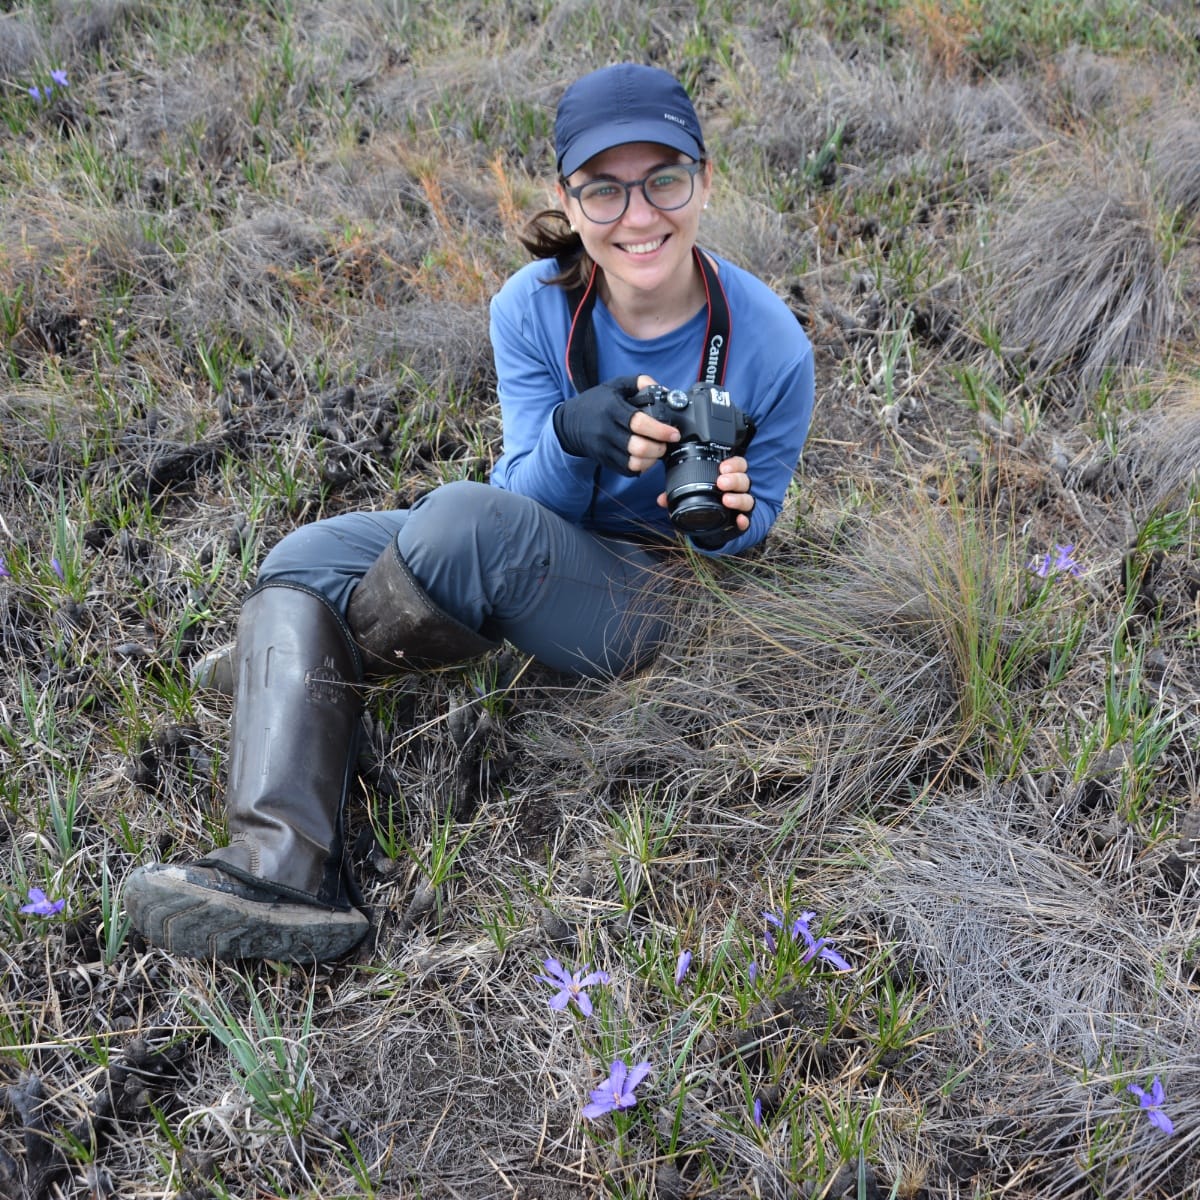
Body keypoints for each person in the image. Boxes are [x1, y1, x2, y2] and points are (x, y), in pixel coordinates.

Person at [123, 62, 815, 962]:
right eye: (604, 191)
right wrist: (570, 436)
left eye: (665, 182)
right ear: (568, 201)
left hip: (657, 595)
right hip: (548, 539)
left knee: (459, 529)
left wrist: (727, 527)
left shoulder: (772, 346)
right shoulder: (531, 309)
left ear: (705, 180)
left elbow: (755, 520)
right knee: (305, 557)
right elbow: (525, 488)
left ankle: (303, 674)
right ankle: (283, 867)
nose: (639, 217)